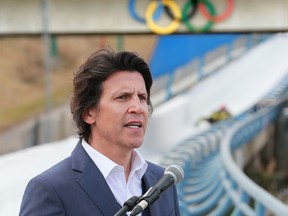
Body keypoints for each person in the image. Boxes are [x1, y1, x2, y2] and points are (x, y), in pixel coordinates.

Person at [19, 48, 181, 216]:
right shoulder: (50, 191)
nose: (137, 108)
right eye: (123, 97)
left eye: (142, 97)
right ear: (89, 112)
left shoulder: (163, 180)